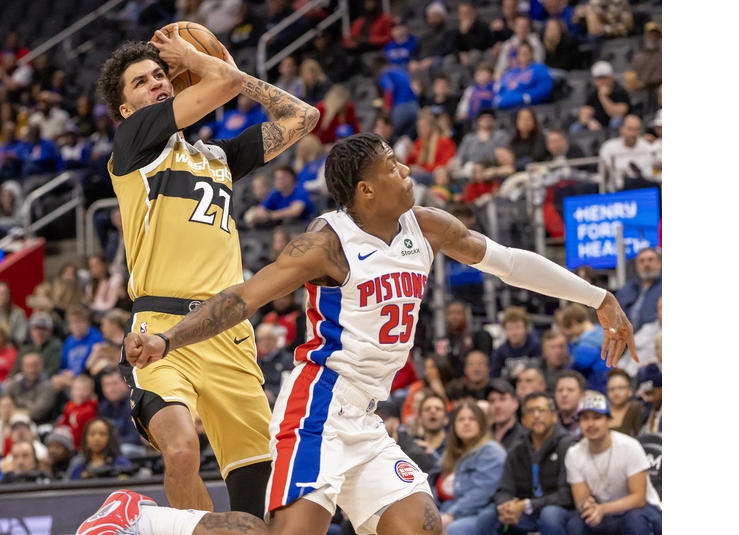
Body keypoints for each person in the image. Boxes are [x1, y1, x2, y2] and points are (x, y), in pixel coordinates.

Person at [80, 132, 636, 535]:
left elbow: (510, 262)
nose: (407, 171)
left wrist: (599, 297)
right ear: (366, 190)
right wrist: (168, 340)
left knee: (422, 526)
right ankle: (144, 518)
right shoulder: (327, 243)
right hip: (317, 410)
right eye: (394, 166)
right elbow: (244, 297)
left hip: (367, 419)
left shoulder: (427, 226)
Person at [93, 25, 319, 516]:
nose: (156, 82)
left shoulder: (218, 157)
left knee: (258, 493)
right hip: (160, 326)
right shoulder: (133, 142)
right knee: (180, 451)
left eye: (160, 74)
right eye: (141, 82)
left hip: (227, 331)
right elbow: (223, 84)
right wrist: (199, 59)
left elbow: (303, 117)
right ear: (127, 110)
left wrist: (232, 74)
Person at [474, 391, 577, 535]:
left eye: (542, 410)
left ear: (554, 416)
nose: (536, 415)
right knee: (487, 517)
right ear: (523, 420)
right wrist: (507, 506)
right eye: (530, 411)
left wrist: (528, 505)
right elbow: (504, 489)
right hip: (523, 513)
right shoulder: (516, 450)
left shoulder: (567, 447)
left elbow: (566, 495)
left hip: (557, 510)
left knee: (550, 515)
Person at [564, 392, 663, 534]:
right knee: (576, 523)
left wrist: (603, 509)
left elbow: (639, 498)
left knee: (634, 519)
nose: (590, 424)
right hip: (604, 514)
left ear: (608, 420)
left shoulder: (629, 446)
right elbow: (580, 498)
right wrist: (586, 505)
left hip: (644, 510)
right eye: (584, 419)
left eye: (597, 417)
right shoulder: (574, 453)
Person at [436, 401, 507, 534]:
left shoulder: (491, 451)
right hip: (460, 507)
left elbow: (482, 492)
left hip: (485, 513)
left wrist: (452, 514)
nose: (466, 423)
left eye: (472, 419)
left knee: (453, 529)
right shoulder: (455, 452)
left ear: (481, 423)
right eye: (461, 419)